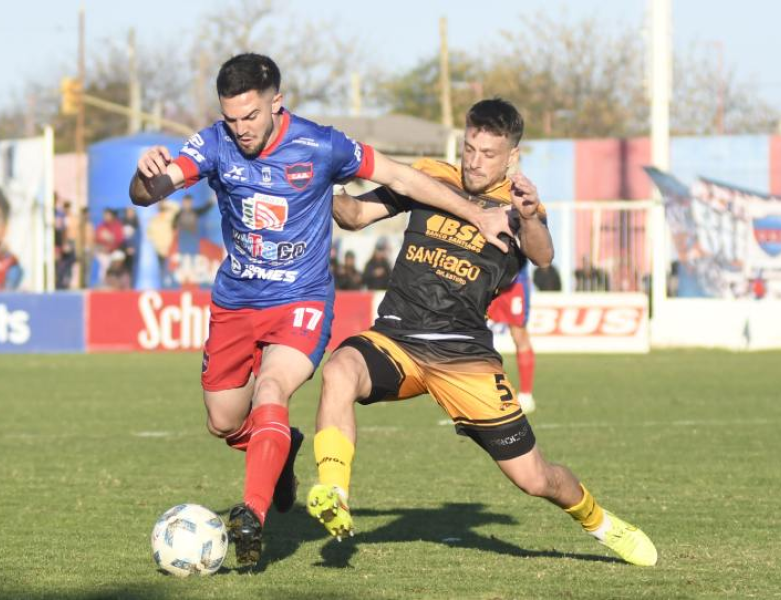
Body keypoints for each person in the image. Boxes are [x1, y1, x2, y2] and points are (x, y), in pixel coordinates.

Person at [129, 53, 512, 567]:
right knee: (223, 421)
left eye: (251, 116)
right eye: (231, 118)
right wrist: (146, 174)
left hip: (300, 299)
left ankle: (252, 514)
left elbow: (402, 178)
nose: (241, 129)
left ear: (277, 103)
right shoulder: (214, 143)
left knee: (272, 388)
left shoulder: (321, 144)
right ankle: (281, 446)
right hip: (236, 302)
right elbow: (147, 194)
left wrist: (475, 214)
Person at [306, 98, 657, 568]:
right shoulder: (430, 176)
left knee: (536, 479)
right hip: (397, 339)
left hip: (464, 356)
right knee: (339, 369)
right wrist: (318, 184)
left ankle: (601, 522)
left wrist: (528, 216)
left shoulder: (519, 205)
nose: (474, 161)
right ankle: (334, 493)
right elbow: (353, 215)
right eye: (469, 148)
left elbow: (543, 255)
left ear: (512, 157)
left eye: (488, 154)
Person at [487, 265, 537, 413]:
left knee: (519, 334)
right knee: (475, 332)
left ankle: (526, 395)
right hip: (486, 281)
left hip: (515, 283)